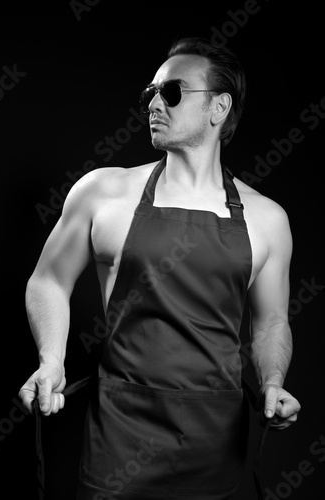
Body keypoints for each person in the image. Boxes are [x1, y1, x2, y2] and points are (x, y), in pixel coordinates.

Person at [19, 37, 301, 499]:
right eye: (150, 92)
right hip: (120, 431)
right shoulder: (104, 192)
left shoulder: (267, 219)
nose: (154, 103)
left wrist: (273, 383)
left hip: (214, 440)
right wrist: (51, 361)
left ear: (219, 108)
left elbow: (271, 322)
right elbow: (48, 279)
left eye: (172, 92)